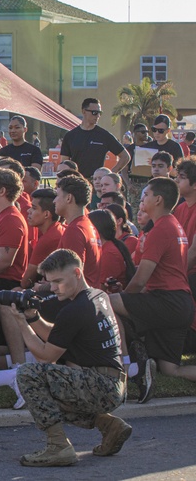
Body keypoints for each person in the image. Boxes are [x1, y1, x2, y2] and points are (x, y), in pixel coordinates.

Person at [14, 249, 130, 467]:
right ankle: (109, 425)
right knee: (52, 389)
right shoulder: (97, 296)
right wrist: (32, 317)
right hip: (113, 384)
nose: (54, 288)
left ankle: (58, 447)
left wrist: (20, 324)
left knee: (29, 375)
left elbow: (46, 355)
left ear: (77, 273)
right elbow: (57, 337)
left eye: (58, 281)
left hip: (100, 385)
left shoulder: (75, 309)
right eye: (50, 282)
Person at [108, 177, 196, 394]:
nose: (141, 198)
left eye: (145, 194)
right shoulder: (172, 223)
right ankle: (139, 363)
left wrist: (125, 298)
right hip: (179, 303)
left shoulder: (161, 229)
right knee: (170, 369)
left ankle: (125, 365)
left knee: (106, 302)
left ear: (158, 199)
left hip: (168, 301)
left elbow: (140, 279)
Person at [60, 98, 129, 178]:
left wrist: (109, 175)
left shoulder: (104, 135)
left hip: (96, 183)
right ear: (84, 111)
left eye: (99, 113)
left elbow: (125, 156)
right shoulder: (70, 136)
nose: (98, 116)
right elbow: (64, 163)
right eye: (94, 113)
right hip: (77, 182)